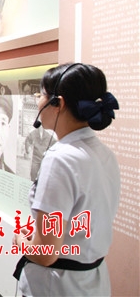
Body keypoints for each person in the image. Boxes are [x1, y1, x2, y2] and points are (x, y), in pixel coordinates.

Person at [13, 63, 120, 296]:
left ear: (57, 103)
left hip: (55, 285)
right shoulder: (105, 154)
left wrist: (20, 239)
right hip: (92, 282)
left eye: (41, 95)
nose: (38, 101)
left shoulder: (59, 159)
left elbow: (45, 254)